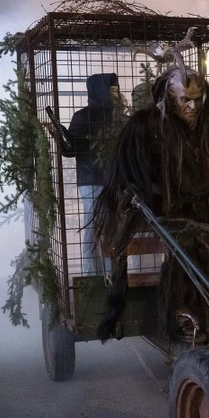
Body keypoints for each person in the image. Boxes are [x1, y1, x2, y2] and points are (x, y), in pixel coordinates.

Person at [93, 60, 209, 345]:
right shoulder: (148, 124)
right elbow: (125, 166)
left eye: (196, 100)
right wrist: (134, 192)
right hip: (168, 206)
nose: (192, 108)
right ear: (170, 97)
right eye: (184, 101)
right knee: (184, 259)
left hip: (204, 205)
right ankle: (180, 319)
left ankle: (207, 321)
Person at [64, 72, 124, 275]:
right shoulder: (83, 117)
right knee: (94, 227)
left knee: (111, 228)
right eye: (112, 91)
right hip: (92, 180)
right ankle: (92, 276)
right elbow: (70, 149)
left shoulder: (118, 118)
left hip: (114, 180)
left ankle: (110, 274)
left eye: (117, 90)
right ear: (101, 92)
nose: (117, 95)